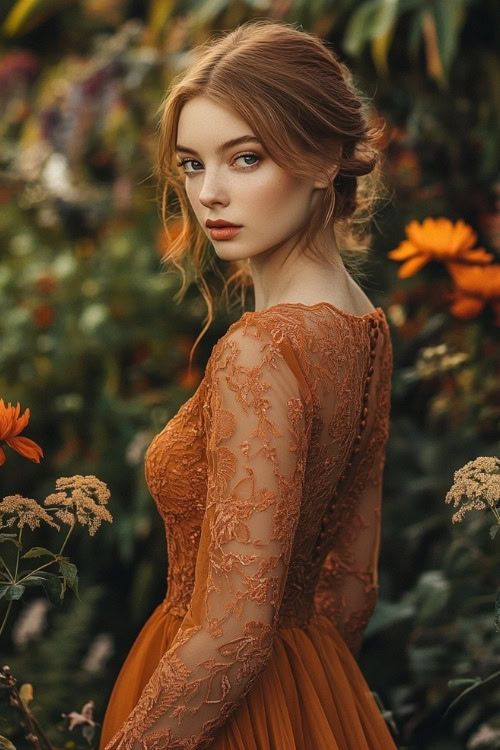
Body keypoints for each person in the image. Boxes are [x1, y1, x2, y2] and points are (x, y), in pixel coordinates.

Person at [99, 18, 397, 750]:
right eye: (193, 164)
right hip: (316, 690)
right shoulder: (364, 326)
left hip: (215, 716)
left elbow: (231, 635)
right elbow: (353, 586)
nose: (210, 195)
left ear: (326, 159)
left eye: (245, 158)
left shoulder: (259, 352)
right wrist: (310, 707)